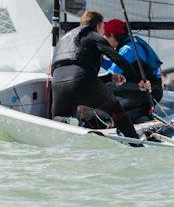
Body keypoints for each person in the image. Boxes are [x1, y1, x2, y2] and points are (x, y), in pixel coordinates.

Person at [50, 10, 145, 142]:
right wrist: (138, 80)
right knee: (115, 109)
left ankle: (70, 122)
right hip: (81, 80)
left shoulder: (63, 39)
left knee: (58, 117)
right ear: (99, 26)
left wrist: (109, 78)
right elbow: (117, 58)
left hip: (58, 83)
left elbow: (72, 72)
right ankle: (135, 143)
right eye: (103, 28)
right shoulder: (92, 35)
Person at [101, 19, 164, 122]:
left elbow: (112, 74)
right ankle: (140, 113)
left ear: (112, 35)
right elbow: (116, 67)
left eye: (106, 36)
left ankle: (138, 115)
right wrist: (101, 61)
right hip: (152, 91)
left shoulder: (127, 50)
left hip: (148, 93)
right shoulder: (131, 44)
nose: (106, 40)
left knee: (105, 88)